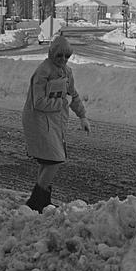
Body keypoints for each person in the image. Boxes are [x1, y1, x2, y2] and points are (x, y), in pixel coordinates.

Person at [21, 34, 90, 212]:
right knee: (55, 159)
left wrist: (82, 116)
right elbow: (39, 102)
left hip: (55, 122)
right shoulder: (43, 71)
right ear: (52, 54)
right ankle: (35, 201)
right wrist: (61, 103)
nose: (63, 60)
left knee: (47, 161)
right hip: (38, 121)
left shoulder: (67, 72)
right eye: (59, 56)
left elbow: (72, 95)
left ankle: (44, 201)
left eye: (67, 56)